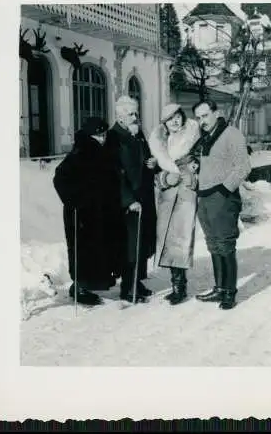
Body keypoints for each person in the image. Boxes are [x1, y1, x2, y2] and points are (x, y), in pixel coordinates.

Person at [53, 117, 124, 306]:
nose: (101, 138)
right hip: (82, 213)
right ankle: (79, 287)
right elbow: (60, 178)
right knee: (83, 251)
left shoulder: (105, 151)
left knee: (97, 249)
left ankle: (88, 285)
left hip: (99, 211)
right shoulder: (80, 152)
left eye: (103, 134)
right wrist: (75, 200)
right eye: (97, 135)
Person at [192, 100, 251, 310]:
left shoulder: (231, 134)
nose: (202, 121)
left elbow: (244, 166)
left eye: (205, 115)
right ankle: (219, 288)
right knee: (213, 243)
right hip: (204, 198)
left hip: (222, 198)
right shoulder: (205, 137)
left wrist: (224, 190)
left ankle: (229, 293)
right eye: (198, 117)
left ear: (216, 113)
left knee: (225, 245)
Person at [107, 96, 159, 303]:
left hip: (145, 195)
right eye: (130, 114)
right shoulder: (114, 137)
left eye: (136, 113)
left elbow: (147, 158)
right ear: (119, 116)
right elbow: (115, 172)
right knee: (130, 245)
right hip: (128, 201)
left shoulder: (137, 133)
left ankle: (137, 281)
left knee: (143, 241)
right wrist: (128, 199)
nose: (135, 117)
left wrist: (153, 163)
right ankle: (127, 287)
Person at [148, 103, 201, 305]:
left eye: (178, 116)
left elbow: (202, 160)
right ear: (165, 123)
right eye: (170, 119)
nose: (175, 121)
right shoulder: (159, 143)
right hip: (167, 194)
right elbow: (153, 172)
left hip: (186, 192)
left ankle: (180, 287)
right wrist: (163, 177)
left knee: (181, 237)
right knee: (168, 239)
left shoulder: (194, 137)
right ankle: (174, 284)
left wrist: (192, 173)